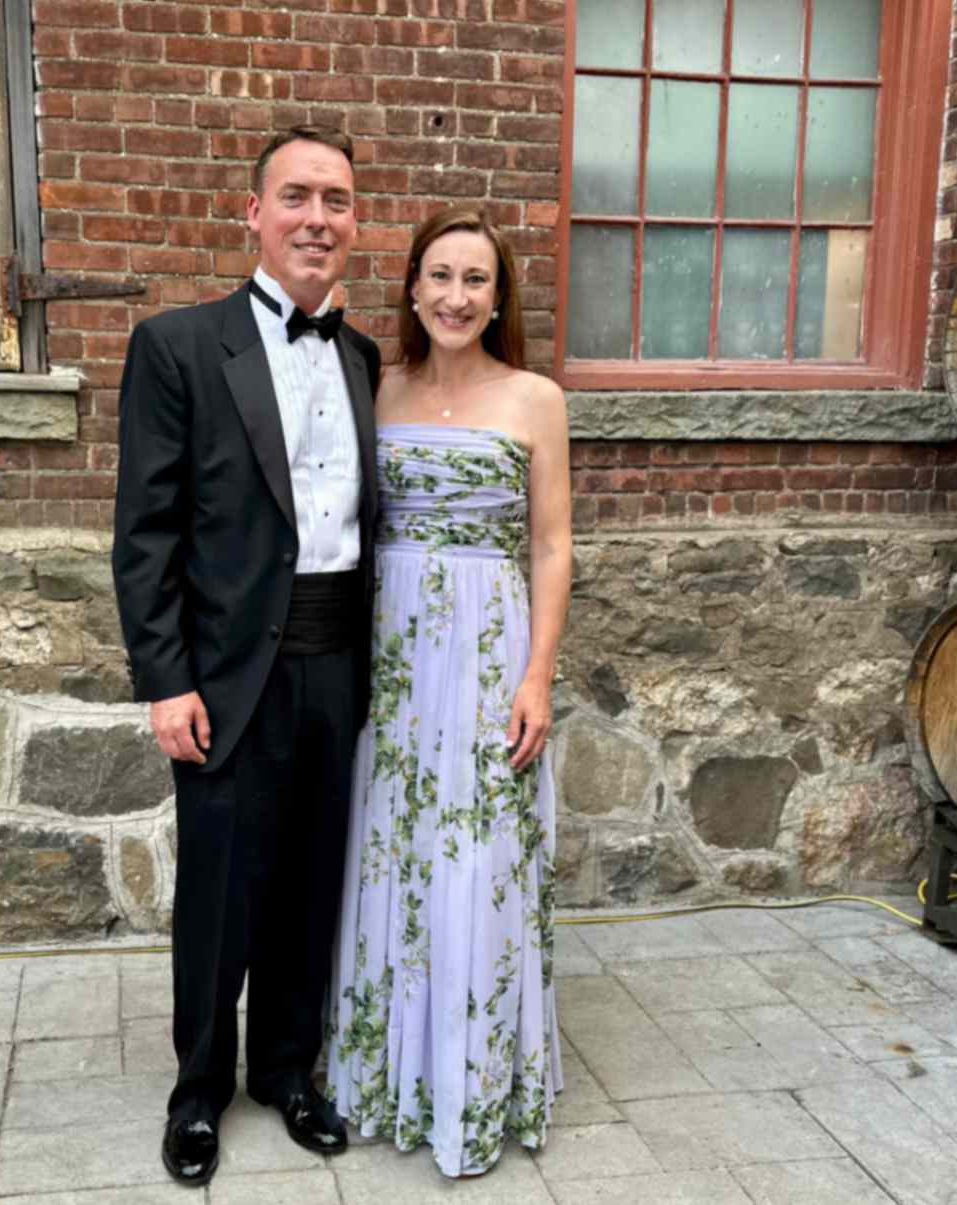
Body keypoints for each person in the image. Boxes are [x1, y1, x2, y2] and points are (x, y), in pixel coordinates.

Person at [111, 125, 381, 1188]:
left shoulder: (363, 359)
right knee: (222, 890)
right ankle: (197, 1091)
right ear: (254, 215)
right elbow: (147, 532)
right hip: (224, 672)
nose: (320, 217)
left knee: (315, 884)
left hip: (335, 662)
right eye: (299, 196)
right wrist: (165, 677)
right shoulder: (179, 345)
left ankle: (287, 1069)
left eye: (340, 200)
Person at [325, 208, 571, 1177]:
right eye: (440, 275)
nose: (456, 295)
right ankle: (389, 1067)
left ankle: (474, 1076)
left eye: (475, 278)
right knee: (392, 845)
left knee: (482, 851)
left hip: (489, 650)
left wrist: (538, 675)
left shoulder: (535, 397)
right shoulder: (375, 387)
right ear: (414, 289)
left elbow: (551, 543)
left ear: (498, 296)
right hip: (388, 654)